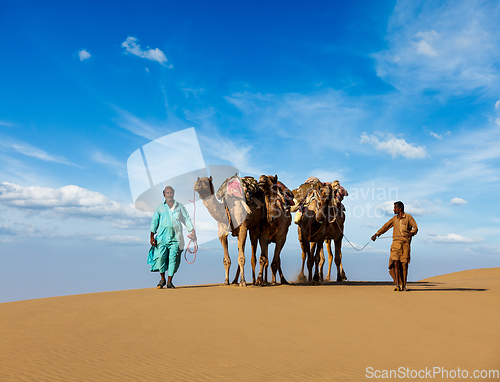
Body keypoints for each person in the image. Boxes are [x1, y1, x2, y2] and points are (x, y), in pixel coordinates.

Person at [149, 186, 196, 289]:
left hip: (176, 238)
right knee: (160, 258)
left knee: (173, 259)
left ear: (173, 194)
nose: (169, 194)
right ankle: (162, 279)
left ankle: (170, 281)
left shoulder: (180, 207)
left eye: (171, 193)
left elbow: (187, 219)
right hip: (162, 238)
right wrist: (152, 236)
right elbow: (154, 222)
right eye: (167, 193)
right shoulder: (159, 207)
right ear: (164, 194)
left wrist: (192, 231)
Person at [371, 201, 418, 292]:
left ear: (400, 209)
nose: (394, 209)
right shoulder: (394, 219)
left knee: (404, 265)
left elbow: (415, 228)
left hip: (405, 244)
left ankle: (404, 285)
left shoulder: (408, 217)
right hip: (396, 244)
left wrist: (409, 234)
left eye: (395, 208)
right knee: (395, 262)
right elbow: (386, 226)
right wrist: (376, 234)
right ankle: (397, 285)